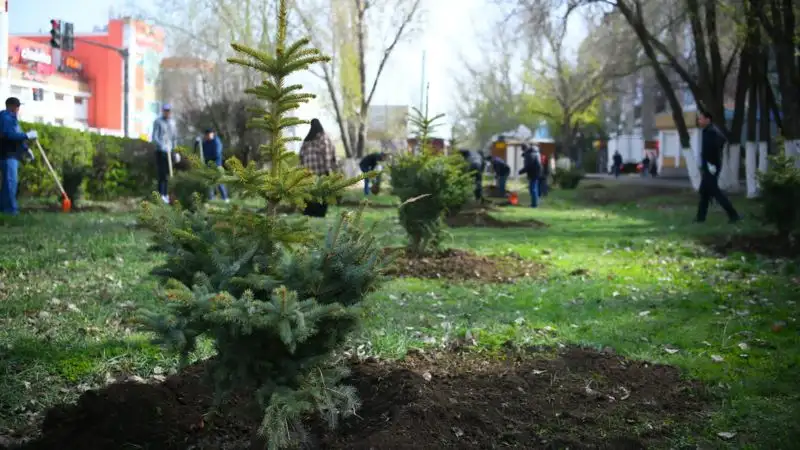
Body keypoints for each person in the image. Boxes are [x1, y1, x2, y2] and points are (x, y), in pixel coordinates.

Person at [695, 109, 741, 224]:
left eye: (701, 118)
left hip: (711, 167)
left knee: (715, 192)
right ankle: (700, 218)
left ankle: (734, 215)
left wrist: (712, 163)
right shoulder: (707, 131)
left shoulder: (712, 131)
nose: (699, 121)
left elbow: (719, 144)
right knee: (704, 193)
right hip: (708, 166)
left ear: (707, 119)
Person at [0, 97, 37, 215]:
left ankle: (4, 209)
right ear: (11, 106)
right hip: (7, 155)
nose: (18, 109)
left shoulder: (11, 119)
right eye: (17, 106)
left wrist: (26, 149)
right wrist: (27, 135)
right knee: (10, 183)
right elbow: (9, 135)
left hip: (11, 155)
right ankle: (10, 211)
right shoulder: (5, 117)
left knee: (8, 183)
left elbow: (17, 137)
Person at [299, 118, 337, 217]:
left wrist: (302, 171)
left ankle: (308, 212)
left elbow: (301, 156)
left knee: (309, 192)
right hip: (321, 171)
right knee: (322, 192)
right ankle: (320, 213)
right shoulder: (324, 137)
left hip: (307, 173)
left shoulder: (306, 139)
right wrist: (329, 170)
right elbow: (328, 154)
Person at [151, 104, 178, 204]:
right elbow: (154, 137)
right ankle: (161, 195)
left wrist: (175, 151)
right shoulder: (158, 122)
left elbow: (174, 138)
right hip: (160, 151)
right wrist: (162, 146)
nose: (167, 112)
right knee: (161, 174)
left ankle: (167, 195)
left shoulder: (173, 123)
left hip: (170, 152)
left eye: (169, 111)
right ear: (163, 111)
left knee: (168, 174)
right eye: (165, 111)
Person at [201, 128, 229, 202]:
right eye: (206, 135)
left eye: (209, 134)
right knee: (210, 182)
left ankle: (225, 198)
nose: (207, 136)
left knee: (219, 181)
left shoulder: (217, 142)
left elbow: (216, 154)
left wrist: (207, 157)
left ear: (212, 134)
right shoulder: (205, 143)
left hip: (217, 164)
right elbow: (203, 152)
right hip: (208, 165)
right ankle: (211, 198)